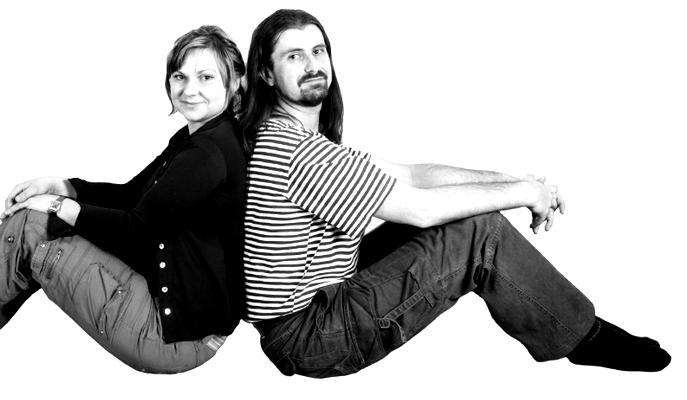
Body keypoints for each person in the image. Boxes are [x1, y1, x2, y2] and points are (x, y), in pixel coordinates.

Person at [239, 9, 671, 378]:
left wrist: (519, 183)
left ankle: (573, 326)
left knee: (461, 217)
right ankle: (582, 335)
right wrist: (523, 193)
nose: (312, 65)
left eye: (318, 51)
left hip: (320, 302)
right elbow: (421, 208)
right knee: (479, 231)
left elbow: (416, 175)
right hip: (312, 335)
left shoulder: (297, 139)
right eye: (294, 56)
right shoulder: (299, 153)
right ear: (266, 73)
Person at [0, 24, 248, 374]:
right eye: (180, 76)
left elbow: (135, 228)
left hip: (171, 336)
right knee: (42, 217)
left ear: (234, 81)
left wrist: (56, 206)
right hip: (182, 321)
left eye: (206, 77)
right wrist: (65, 186)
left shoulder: (208, 152)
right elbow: (133, 196)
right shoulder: (201, 137)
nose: (189, 89)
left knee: (36, 225)